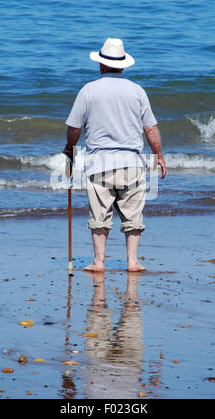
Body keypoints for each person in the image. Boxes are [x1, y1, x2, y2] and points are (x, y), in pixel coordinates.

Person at [63, 38, 166, 272]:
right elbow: (150, 128)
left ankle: (99, 262)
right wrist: (158, 154)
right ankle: (132, 261)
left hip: (99, 164)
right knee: (132, 216)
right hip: (132, 163)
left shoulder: (89, 90)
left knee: (100, 216)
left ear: (101, 65)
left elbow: (75, 127)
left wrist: (70, 148)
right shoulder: (137, 91)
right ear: (123, 66)